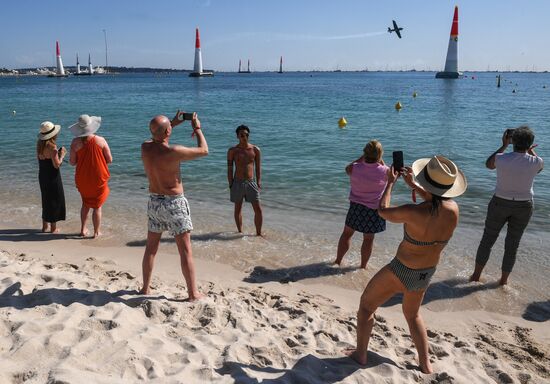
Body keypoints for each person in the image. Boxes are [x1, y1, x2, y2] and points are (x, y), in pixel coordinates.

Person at [345, 155, 467, 374]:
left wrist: (390, 183)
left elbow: (382, 211)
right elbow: (434, 203)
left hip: (400, 270)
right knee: (413, 315)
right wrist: (415, 187)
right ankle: (425, 363)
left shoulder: (413, 211)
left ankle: (360, 354)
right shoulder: (453, 210)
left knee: (366, 307)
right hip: (426, 273)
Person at [140, 111, 208, 301]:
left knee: (151, 248)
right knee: (185, 250)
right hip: (174, 203)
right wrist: (197, 128)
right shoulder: (174, 152)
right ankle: (193, 293)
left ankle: (145, 288)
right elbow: (204, 150)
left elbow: (156, 135)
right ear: (168, 131)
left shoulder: (145, 148)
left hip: (154, 201)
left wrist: (172, 124)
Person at [470, 126, 543, 285]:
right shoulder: (536, 161)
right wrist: (530, 150)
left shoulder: (501, 158)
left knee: (487, 240)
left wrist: (503, 145)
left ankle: (476, 276)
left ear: (512, 141)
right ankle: (503, 281)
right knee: (512, 245)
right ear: (531, 144)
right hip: (524, 206)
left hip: (500, 203)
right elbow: (539, 168)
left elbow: (488, 165)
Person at [334, 140, 388, 269]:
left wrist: (361, 158)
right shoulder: (385, 170)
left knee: (346, 234)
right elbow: (392, 177)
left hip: (356, 207)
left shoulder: (355, 168)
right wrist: (381, 161)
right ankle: (363, 266)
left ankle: (337, 261)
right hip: (373, 210)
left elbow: (348, 168)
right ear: (380, 154)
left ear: (364, 153)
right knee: (368, 239)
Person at [69, 114, 113, 238]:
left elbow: (72, 162)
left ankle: (83, 230)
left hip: (83, 178)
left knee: (85, 203)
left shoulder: (75, 142)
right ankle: (96, 232)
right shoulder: (101, 140)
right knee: (97, 206)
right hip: (98, 178)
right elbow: (109, 159)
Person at [227, 125, 263, 236]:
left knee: (258, 209)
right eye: (242, 135)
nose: (244, 137)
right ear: (237, 136)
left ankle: (258, 233)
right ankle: (239, 232)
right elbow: (229, 168)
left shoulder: (255, 150)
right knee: (238, 208)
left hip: (251, 182)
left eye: (247, 135)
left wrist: (258, 181)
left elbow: (258, 167)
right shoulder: (233, 151)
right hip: (237, 182)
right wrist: (230, 183)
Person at [37, 121, 67, 233]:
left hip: (42, 175)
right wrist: (62, 155)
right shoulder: (53, 147)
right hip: (52, 177)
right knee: (55, 200)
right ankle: (53, 229)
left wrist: (56, 155)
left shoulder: (39, 144)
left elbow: (42, 159)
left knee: (46, 199)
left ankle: (45, 226)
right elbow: (56, 165)